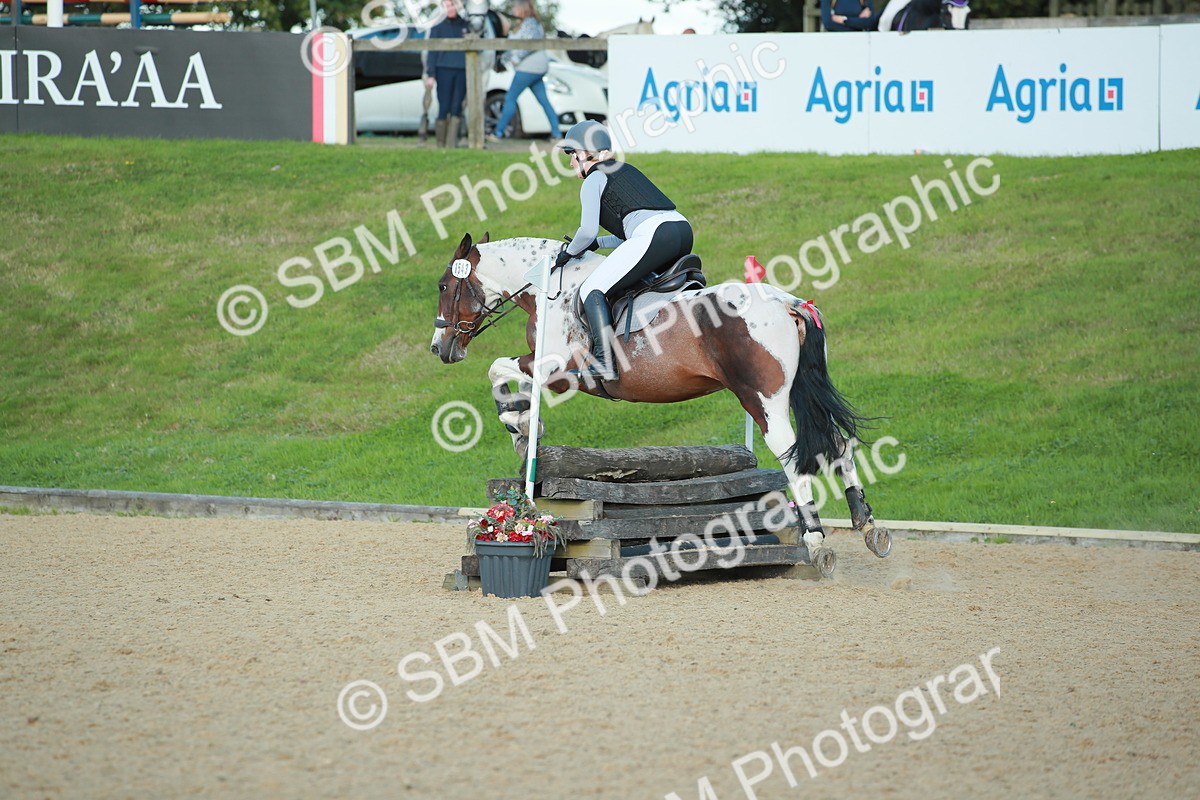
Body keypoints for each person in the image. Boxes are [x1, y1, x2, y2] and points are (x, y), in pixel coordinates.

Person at [554, 121, 693, 381]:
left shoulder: (594, 178)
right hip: (681, 229)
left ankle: (604, 363)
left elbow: (586, 232)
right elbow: (631, 233)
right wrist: (599, 245)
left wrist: (569, 253)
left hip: (653, 234)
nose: (572, 162)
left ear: (586, 153)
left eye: (572, 155)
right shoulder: (627, 170)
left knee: (591, 290)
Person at [489, 1, 562, 143]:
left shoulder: (530, 23)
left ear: (522, 9)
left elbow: (527, 45)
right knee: (544, 101)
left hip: (528, 68)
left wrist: (514, 59)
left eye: (515, 7)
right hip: (535, 69)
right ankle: (557, 133)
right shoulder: (527, 24)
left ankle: (498, 133)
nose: (513, 10)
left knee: (510, 98)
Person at [425, 0, 469, 148]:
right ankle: (440, 144)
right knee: (444, 106)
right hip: (443, 70)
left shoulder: (466, 26)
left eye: (453, 5)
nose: (451, 8)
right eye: (447, 5)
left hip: (462, 71)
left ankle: (452, 144)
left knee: (457, 107)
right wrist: (431, 74)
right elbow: (431, 53)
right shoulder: (437, 28)